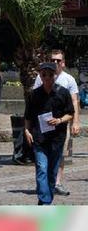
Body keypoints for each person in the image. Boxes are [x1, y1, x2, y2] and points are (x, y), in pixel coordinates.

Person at [25, 62, 75, 205]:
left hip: (56, 139)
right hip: (39, 138)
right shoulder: (34, 94)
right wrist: (27, 130)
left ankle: (46, 199)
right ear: (40, 76)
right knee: (41, 169)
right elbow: (28, 116)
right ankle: (44, 201)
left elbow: (70, 113)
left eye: (50, 75)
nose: (47, 77)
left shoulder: (63, 92)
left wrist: (59, 120)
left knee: (52, 172)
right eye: (44, 74)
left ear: (55, 75)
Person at [31, 49, 80, 196]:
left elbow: (74, 102)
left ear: (63, 63)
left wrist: (75, 122)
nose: (55, 62)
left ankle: (57, 182)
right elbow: (34, 99)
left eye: (58, 60)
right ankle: (45, 181)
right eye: (52, 60)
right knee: (42, 154)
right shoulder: (41, 77)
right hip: (43, 125)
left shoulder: (69, 79)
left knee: (60, 153)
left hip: (61, 124)